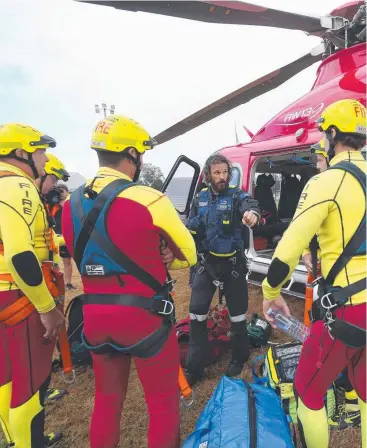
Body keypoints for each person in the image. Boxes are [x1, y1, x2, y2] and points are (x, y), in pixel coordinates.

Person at [62, 115, 197, 448]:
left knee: (107, 402)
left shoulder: (68, 204)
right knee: (162, 405)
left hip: (94, 318)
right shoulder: (150, 199)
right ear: (133, 155)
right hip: (145, 319)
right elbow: (190, 254)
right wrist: (170, 256)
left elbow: (81, 254)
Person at [262, 99, 366, 448]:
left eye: (324, 134)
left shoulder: (327, 181)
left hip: (344, 311)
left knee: (308, 390)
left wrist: (270, 290)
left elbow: (289, 246)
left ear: (333, 134)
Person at [0, 124, 65, 447]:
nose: (44, 158)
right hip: (19, 297)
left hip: (4, 296)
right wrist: (46, 308)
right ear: (22, 153)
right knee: (29, 386)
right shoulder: (17, 187)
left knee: (6, 380)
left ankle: (16, 440)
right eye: (39, 151)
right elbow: (20, 255)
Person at [185, 153, 260, 385]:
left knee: (238, 316)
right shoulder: (201, 197)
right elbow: (191, 224)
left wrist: (252, 215)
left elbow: (251, 205)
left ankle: (240, 355)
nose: (222, 177)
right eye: (217, 173)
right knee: (196, 316)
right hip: (205, 265)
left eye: (225, 172)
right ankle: (194, 368)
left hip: (233, 266)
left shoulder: (237, 195)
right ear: (208, 175)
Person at [303, 138, 361, 430]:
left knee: (336, 345)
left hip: (340, 289)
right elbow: (306, 232)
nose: (317, 164)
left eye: (319, 158)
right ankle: (347, 395)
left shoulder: (334, 184)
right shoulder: (322, 186)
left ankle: (349, 401)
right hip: (325, 280)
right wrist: (305, 254)